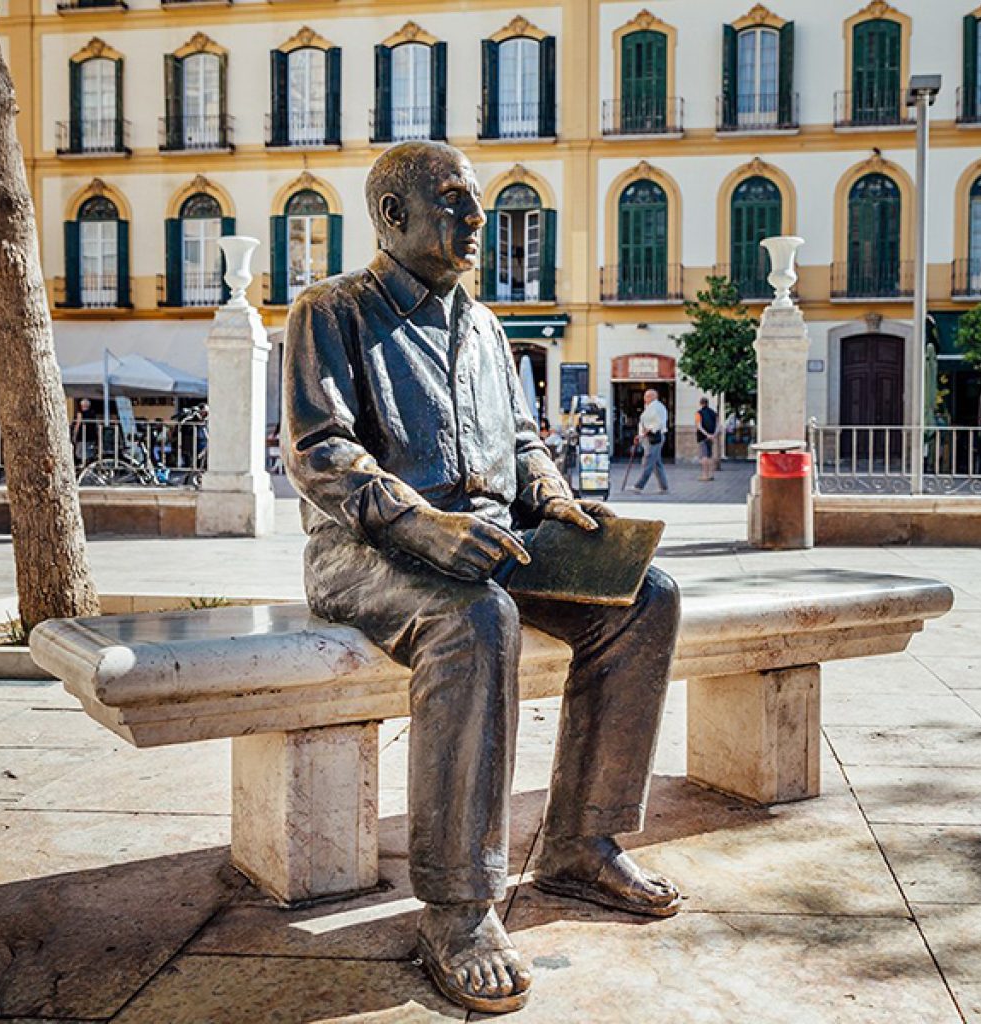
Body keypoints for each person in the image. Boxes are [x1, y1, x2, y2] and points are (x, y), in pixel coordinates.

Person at [284, 142, 681, 1015]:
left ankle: (580, 841)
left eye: (480, 205)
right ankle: (459, 905)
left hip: (497, 538)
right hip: (369, 552)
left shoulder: (489, 328)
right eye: (457, 202)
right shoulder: (332, 312)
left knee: (645, 596)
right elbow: (320, 452)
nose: (478, 221)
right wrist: (417, 523)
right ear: (394, 216)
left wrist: (559, 499)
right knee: (478, 620)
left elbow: (526, 443)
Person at [631, 388, 669, 494]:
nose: (644, 398)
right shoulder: (648, 407)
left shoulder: (657, 407)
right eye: (645, 396)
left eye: (647, 396)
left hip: (655, 437)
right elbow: (643, 422)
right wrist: (640, 435)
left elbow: (659, 423)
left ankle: (639, 485)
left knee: (648, 461)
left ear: (653, 397)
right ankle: (664, 486)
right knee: (657, 463)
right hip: (648, 437)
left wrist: (649, 429)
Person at [695, 396, 718, 482]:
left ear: (701, 404)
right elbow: (718, 425)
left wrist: (706, 434)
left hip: (702, 437)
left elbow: (699, 426)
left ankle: (705, 475)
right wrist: (713, 435)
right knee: (710, 455)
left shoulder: (698, 413)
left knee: (704, 456)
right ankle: (711, 474)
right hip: (711, 436)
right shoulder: (713, 413)